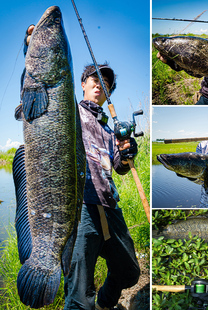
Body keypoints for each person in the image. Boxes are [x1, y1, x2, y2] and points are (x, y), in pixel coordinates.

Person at [25, 26, 140, 310]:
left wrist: (127, 154)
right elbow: (43, 99)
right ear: (83, 84)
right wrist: (34, 48)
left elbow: (120, 168)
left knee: (129, 272)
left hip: (109, 207)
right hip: (79, 210)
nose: (101, 84)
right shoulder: (68, 111)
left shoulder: (109, 130)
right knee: (78, 296)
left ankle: (105, 304)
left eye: (107, 83)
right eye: (94, 78)